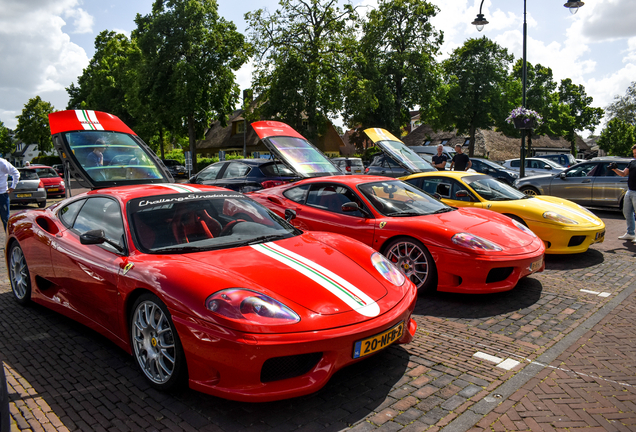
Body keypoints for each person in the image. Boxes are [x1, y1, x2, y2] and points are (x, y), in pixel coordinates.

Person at [610, 144, 636, 242]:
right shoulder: (632, 163)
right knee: (627, 212)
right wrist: (614, 168)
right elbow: (623, 174)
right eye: (634, 153)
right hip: (630, 191)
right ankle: (630, 233)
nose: (635, 155)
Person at [0, 158, 20, 231]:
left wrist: (13, 187)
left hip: (2, 195)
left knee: (5, 220)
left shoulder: (2, 163)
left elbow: (16, 173)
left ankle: (9, 240)